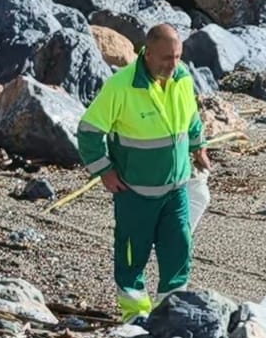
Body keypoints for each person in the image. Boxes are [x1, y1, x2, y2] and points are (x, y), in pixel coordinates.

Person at [77, 24, 211, 321]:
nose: (172, 64)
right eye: (165, 58)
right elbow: (88, 132)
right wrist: (104, 171)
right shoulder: (121, 86)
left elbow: (191, 118)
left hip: (176, 187)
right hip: (135, 192)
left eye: (177, 56)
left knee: (178, 248)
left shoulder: (183, 78)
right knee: (131, 255)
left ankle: (170, 310)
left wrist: (198, 146)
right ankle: (134, 313)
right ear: (146, 54)